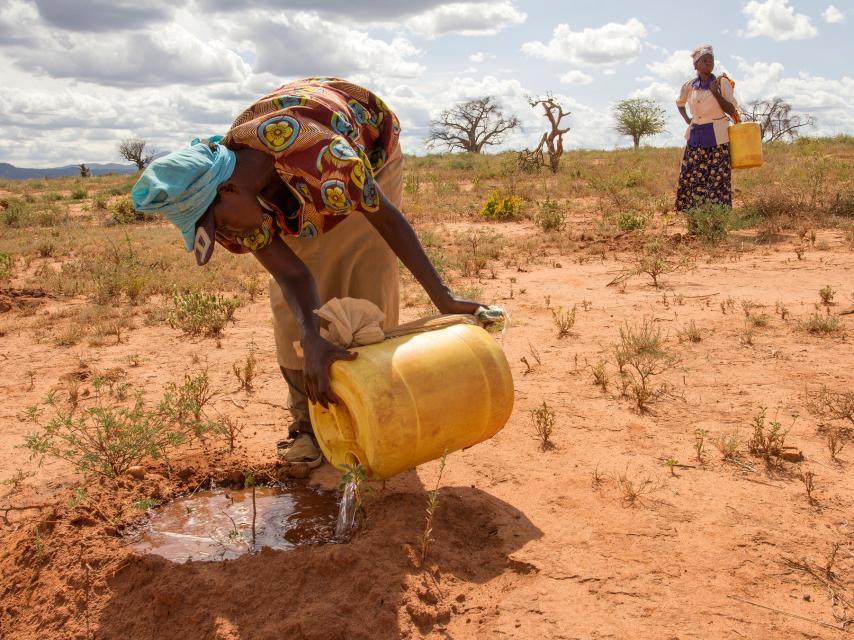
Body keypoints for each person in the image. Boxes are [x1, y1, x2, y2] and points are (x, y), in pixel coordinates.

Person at [131, 77, 487, 468]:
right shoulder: (238, 199)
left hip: (366, 156)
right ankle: (308, 425)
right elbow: (293, 276)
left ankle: (374, 415)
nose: (225, 236)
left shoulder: (325, 157)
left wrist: (444, 298)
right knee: (294, 315)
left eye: (219, 225)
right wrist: (311, 336)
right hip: (289, 183)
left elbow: (387, 221)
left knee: (363, 280)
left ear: (229, 191)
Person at [675, 45, 739, 214]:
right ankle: (695, 214)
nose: (708, 63)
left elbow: (731, 110)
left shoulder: (721, 82)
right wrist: (687, 119)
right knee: (693, 176)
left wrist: (715, 93)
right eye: (704, 60)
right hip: (695, 138)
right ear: (695, 65)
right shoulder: (689, 86)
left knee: (717, 178)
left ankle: (716, 215)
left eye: (711, 60)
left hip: (717, 138)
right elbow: (679, 103)